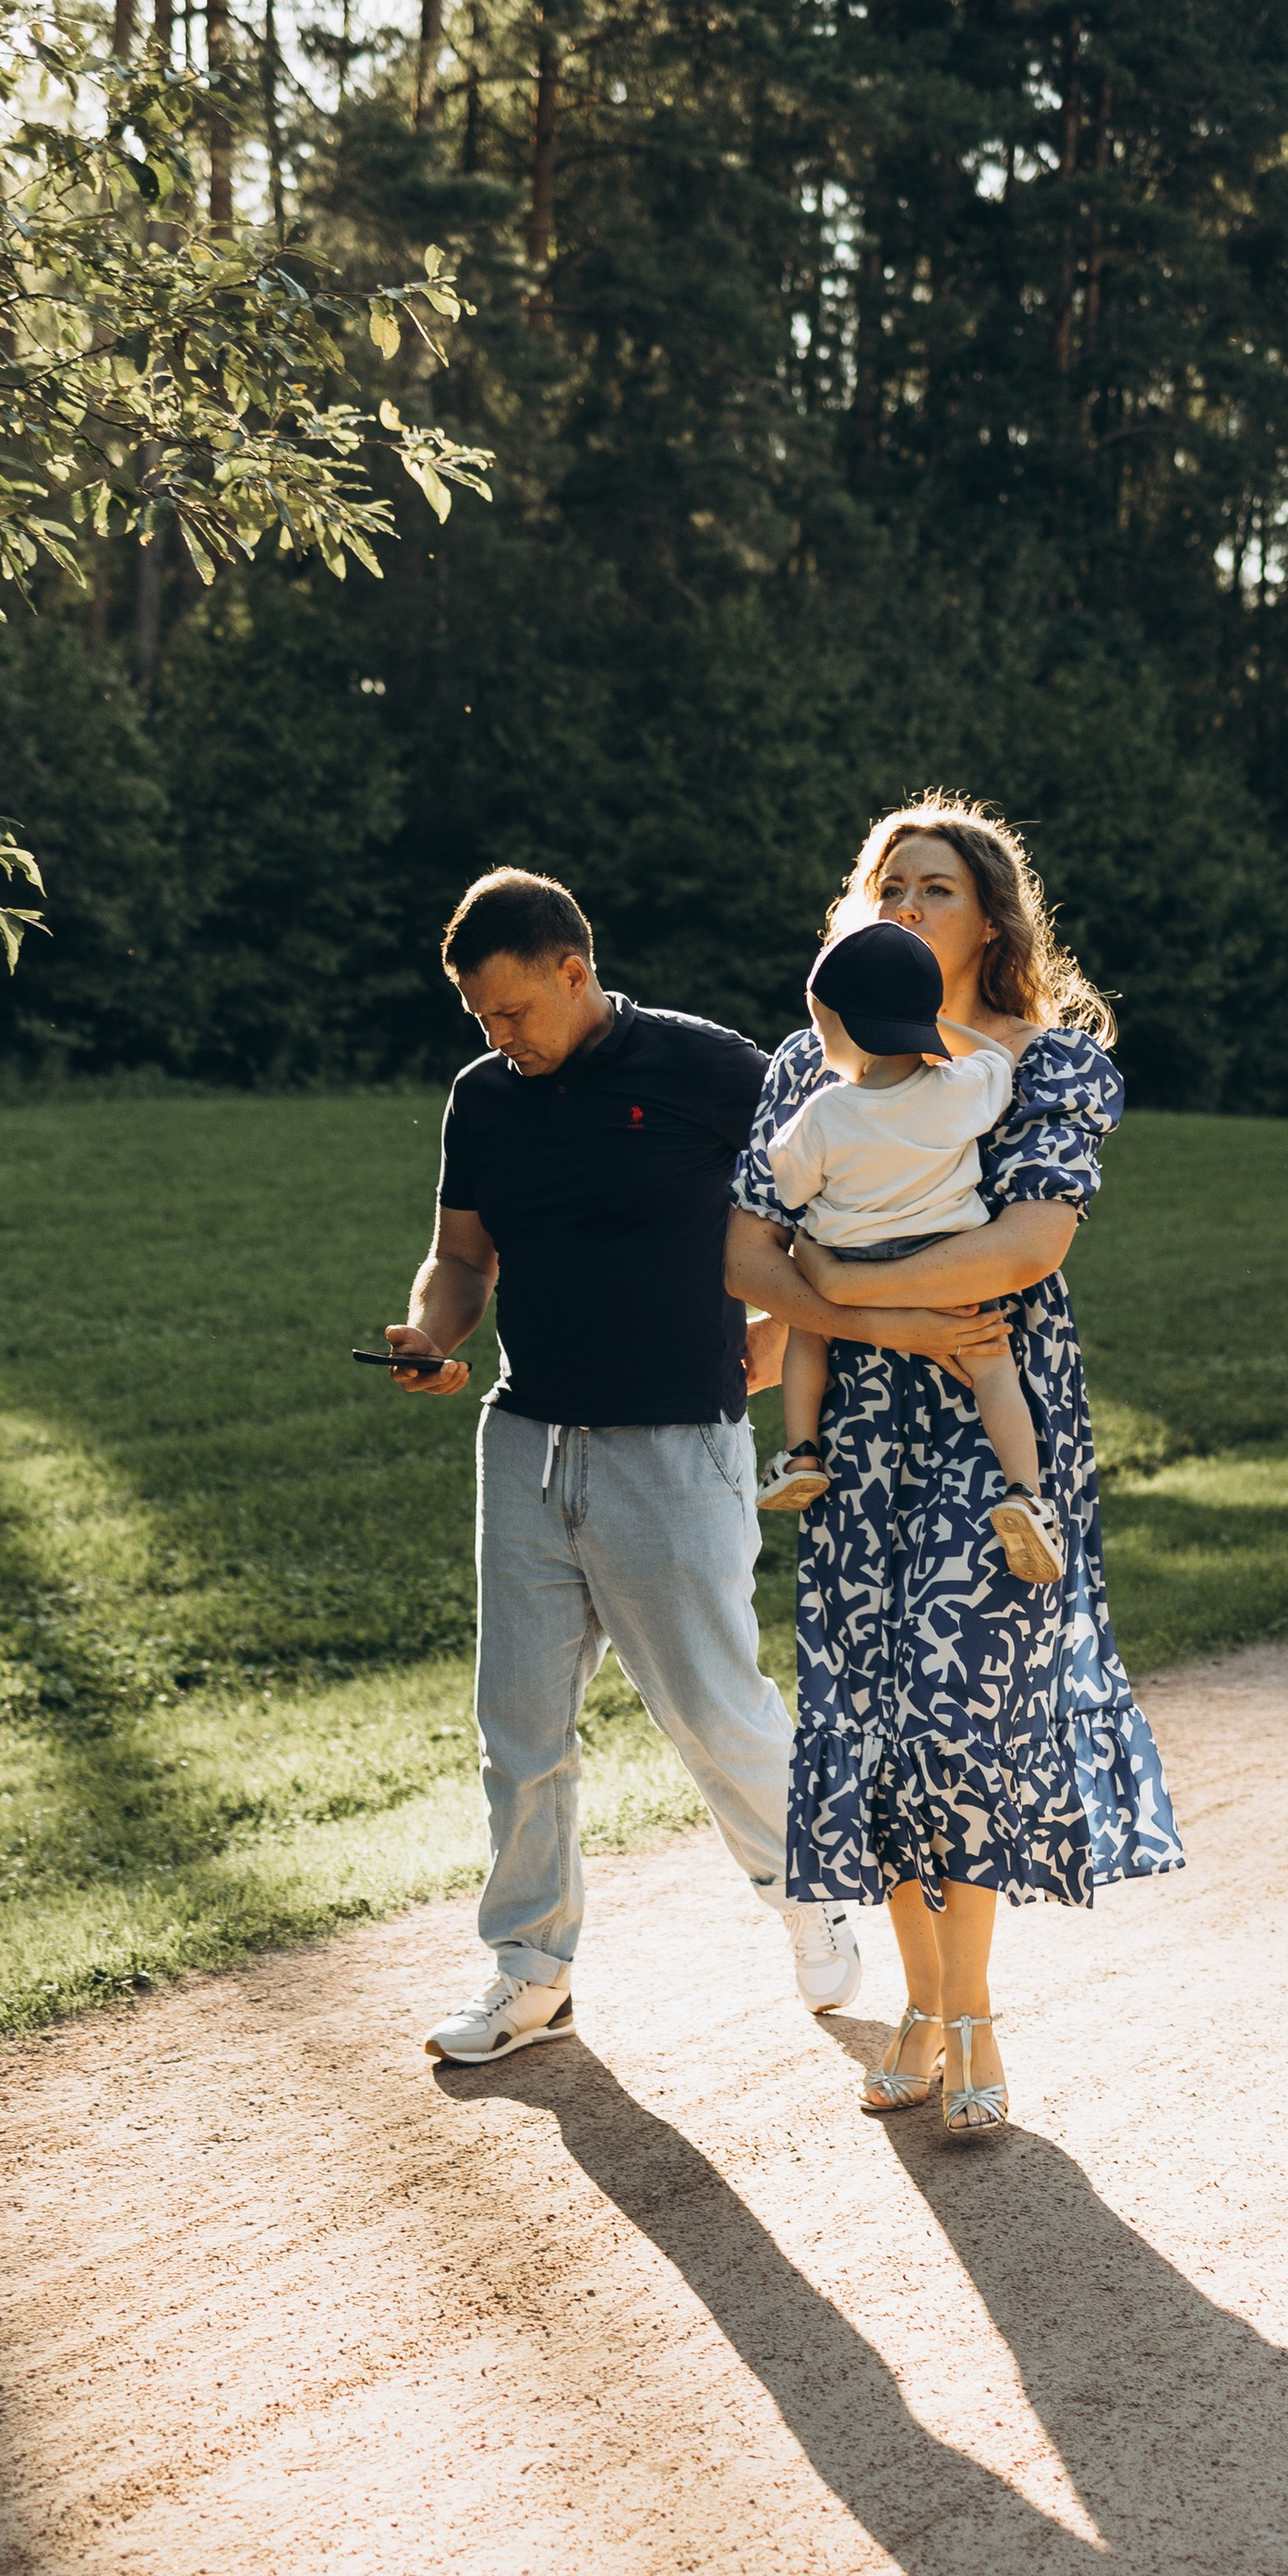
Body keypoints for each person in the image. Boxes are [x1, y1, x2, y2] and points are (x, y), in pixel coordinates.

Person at [727, 799, 1184, 2141]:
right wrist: (886, 1322)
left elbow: (1029, 1244)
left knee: (961, 1711)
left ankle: (969, 2015)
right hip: (857, 1425)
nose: (908, 907)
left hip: (997, 1420)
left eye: (934, 888)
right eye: (889, 888)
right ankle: (924, 2010)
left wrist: (846, 1289)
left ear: (991, 919)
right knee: (878, 1720)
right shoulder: (808, 1064)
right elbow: (746, 1253)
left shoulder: (1047, 1064)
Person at [382, 865, 874, 2062]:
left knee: (710, 1710)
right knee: (520, 1729)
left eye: (513, 1011)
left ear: (574, 970)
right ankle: (531, 1971)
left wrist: (772, 1349)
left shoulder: (711, 1069)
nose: (498, 1038)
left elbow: (833, 1216)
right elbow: (462, 1260)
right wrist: (432, 1334)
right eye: (479, 1019)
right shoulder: (482, 1098)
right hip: (527, 1441)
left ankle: (814, 1891)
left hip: (674, 1445)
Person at [753, 917, 1065, 1585]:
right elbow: (997, 1059)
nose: (818, 1039)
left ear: (844, 1026)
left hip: (852, 1260)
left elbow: (790, 1184)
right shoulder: (957, 1091)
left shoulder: (823, 1114)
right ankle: (1025, 1495)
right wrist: (936, 1023)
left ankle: (801, 1453)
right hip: (944, 1264)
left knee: (809, 1331)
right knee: (992, 1368)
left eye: (821, 1024)